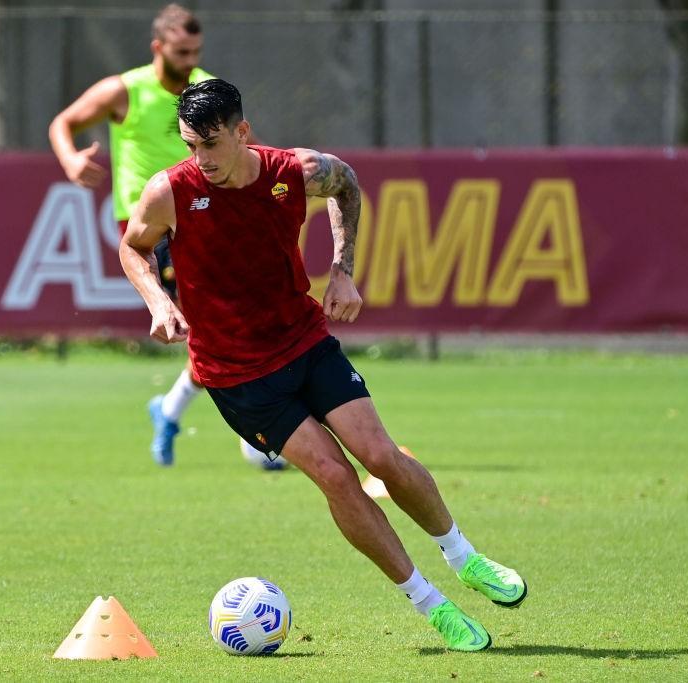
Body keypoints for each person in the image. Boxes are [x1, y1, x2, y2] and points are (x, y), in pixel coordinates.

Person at [119, 78, 527, 651]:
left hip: (304, 342)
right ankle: (430, 604)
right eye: (191, 145)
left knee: (381, 455)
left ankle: (465, 557)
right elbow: (132, 246)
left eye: (211, 143)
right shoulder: (170, 192)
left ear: (242, 132)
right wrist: (158, 301)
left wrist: (343, 268)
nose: (201, 158)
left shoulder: (297, 171)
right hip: (238, 374)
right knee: (335, 476)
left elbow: (349, 186)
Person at [48, 3, 271, 467]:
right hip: (150, 227)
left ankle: (170, 411)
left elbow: (240, 146)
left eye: (196, 52)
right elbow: (63, 123)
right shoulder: (124, 90)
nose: (190, 60)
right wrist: (70, 160)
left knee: (228, 328)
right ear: (158, 47)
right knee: (220, 330)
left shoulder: (205, 88)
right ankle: (257, 434)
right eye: (182, 51)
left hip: (206, 216)